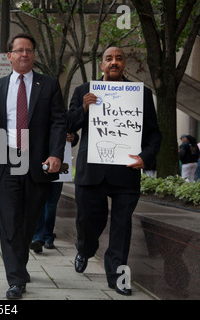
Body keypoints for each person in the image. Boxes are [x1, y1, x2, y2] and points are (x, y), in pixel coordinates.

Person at [67, 46, 162, 296]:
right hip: (91, 172)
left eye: (119, 59)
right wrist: (84, 109)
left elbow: (154, 134)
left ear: (124, 65)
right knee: (87, 221)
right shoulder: (83, 91)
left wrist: (145, 157)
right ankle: (85, 249)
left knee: (122, 227)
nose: (114, 62)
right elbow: (68, 125)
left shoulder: (141, 94)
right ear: (101, 65)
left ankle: (117, 277)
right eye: (109, 59)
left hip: (126, 171)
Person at [0, 33, 67, 299]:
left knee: (29, 221)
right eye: (19, 50)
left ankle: (19, 265)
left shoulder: (49, 85)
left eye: (29, 50)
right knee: (9, 221)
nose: (24, 54)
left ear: (34, 55)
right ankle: (16, 279)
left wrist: (56, 153)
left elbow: (58, 122)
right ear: (8, 56)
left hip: (36, 161)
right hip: (5, 158)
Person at [30, 132, 79, 253]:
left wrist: (73, 137)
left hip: (58, 165)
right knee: (38, 201)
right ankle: (39, 236)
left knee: (51, 204)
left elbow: (73, 126)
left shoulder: (60, 116)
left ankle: (47, 235)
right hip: (38, 162)